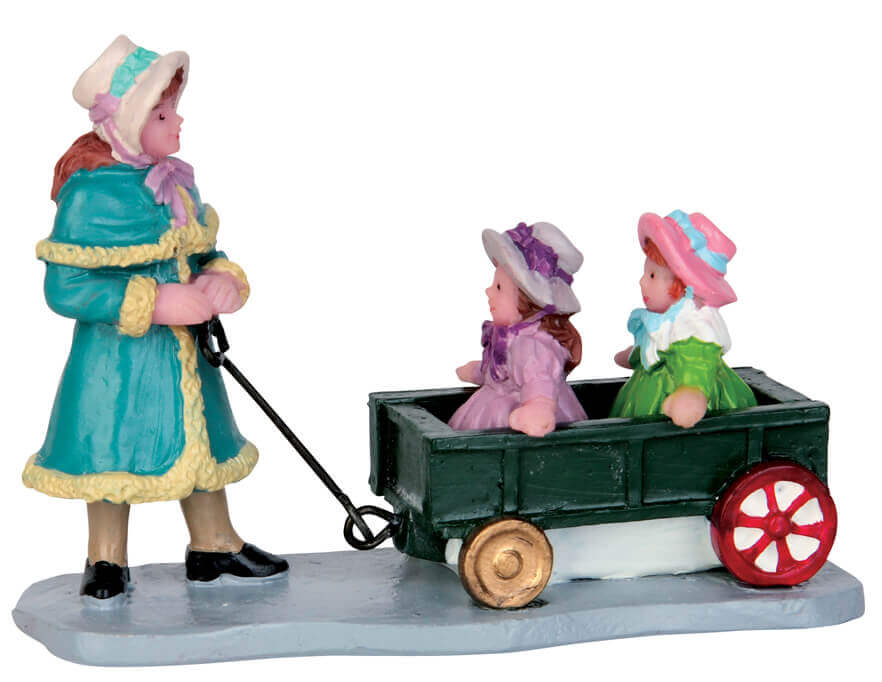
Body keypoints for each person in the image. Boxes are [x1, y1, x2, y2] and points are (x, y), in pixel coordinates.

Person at [23, 36, 287, 602]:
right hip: (117, 360)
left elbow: (202, 253)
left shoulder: (178, 182)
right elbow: (65, 286)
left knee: (200, 445)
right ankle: (106, 557)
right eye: (163, 114)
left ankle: (214, 543)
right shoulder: (90, 195)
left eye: (173, 109)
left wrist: (220, 277)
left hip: (186, 353)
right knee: (111, 455)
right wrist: (157, 301)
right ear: (126, 123)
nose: (179, 120)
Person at [610, 210, 756, 427]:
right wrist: (635, 355)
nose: (642, 282)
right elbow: (656, 345)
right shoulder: (663, 324)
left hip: (674, 394)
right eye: (646, 273)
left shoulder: (692, 329)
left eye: (652, 275)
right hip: (646, 387)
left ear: (682, 287)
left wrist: (691, 393)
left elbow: (696, 363)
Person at [449, 222, 587, 436]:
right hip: (493, 400)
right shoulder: (508, 338)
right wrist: (479, 371)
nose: (488, 291)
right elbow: (501, 371)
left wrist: (539, 407)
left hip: (518, 409)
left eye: (499, 288)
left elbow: (539, 379)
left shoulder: (531, 345)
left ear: (526, 301)